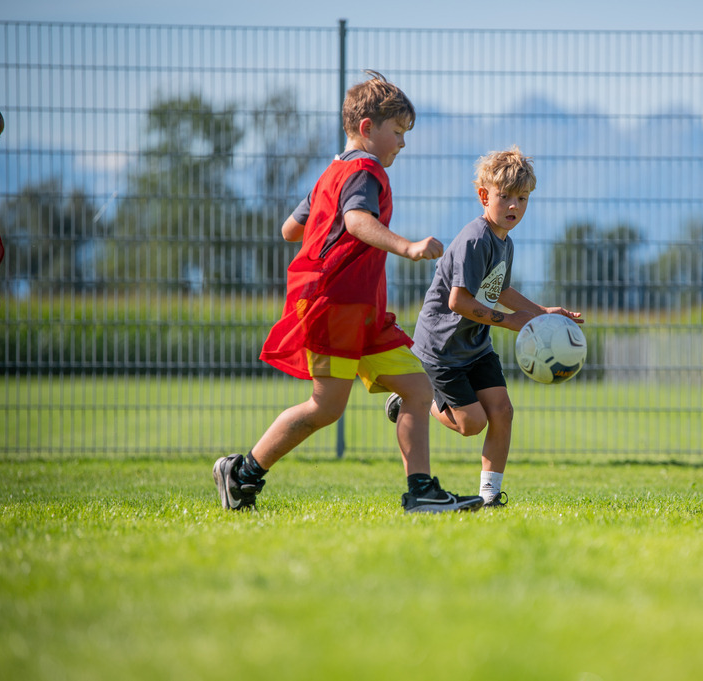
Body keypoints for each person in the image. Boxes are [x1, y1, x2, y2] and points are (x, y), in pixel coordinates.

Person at [214, 71, 483, 514]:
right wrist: (407, 245)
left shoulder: (333, 172)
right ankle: (241, 473)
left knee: (417, 389)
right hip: (335, 307)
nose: (401, 143)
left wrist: (323, 225)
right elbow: (358, 221)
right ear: (367, 129)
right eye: (396, 133)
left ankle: (421, 493)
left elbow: (290, 229)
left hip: (360, 312)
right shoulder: (364, 170)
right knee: (325, 408)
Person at [386, 147, 583, 507]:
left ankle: (490, 496)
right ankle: (412, 401)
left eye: (521, 199)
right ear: (483, 196)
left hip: (475, 346)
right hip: (442, 350)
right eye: (504, 196)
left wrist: (542, 313)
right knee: (471, 424)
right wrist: (510, 322)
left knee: (503, 411)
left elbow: (500, 289)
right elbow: (458, 301)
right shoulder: (476, 238)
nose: (513, 206)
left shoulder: (505, 242)